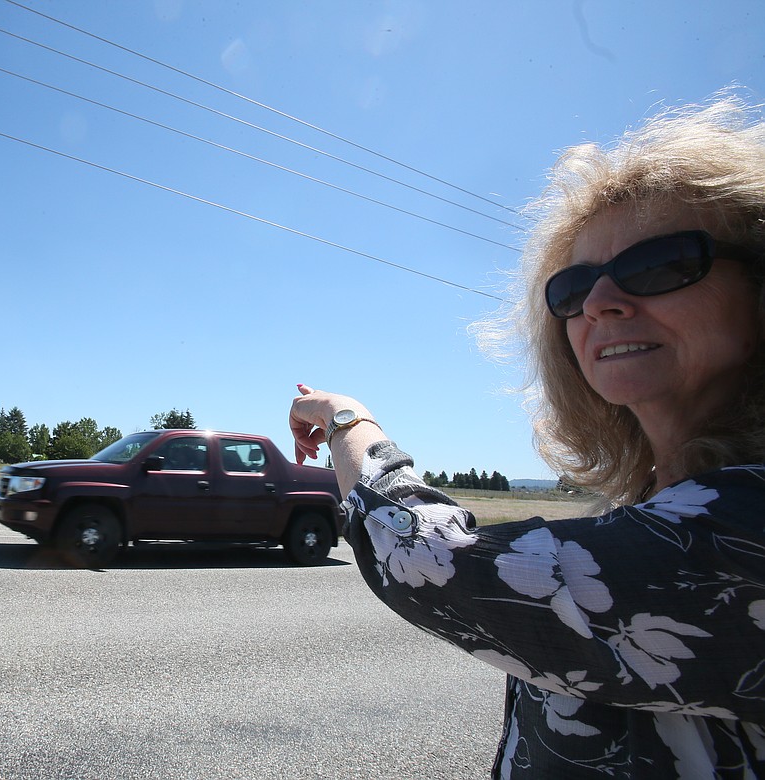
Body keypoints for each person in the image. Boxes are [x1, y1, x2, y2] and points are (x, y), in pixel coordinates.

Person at [289, 94, 765, 778]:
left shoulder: (744, 529)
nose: (600, 303)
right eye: (572, 289)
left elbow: (435, 564)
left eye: (659, 265)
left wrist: (347, 420)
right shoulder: (664, 504)